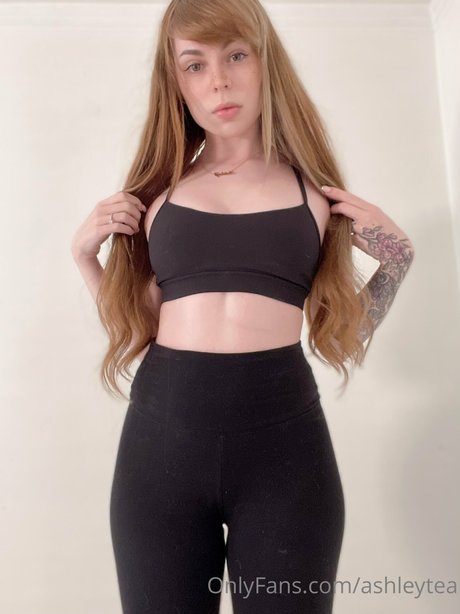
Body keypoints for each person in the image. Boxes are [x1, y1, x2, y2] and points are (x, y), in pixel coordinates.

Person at [71, 1, 415, 612]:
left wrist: (397, 258)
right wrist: (84, 258)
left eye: (235, 56)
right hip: (160, 452)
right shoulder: (157, 196)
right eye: (194, 65)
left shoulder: (316, 194)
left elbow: (343, 329)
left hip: (286, 456)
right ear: (176, 83)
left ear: (265, 62)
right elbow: (141, 326)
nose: (219, 82)